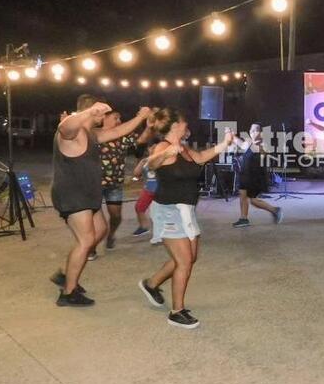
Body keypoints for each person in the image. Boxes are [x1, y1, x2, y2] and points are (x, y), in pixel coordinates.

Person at [49, 95, 151, 306]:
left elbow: (117, 132)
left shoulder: (91, 134)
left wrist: (141, 117)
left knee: (101, 230)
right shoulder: (73, 133)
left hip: (87, 196)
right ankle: (68, 293)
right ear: (92, 111)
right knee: (86, 241)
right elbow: (64, 128)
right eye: (102, 113)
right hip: (73, 195)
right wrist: (87, 112)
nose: (104, 117)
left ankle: (65, 274)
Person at [138, 108, 233, 329]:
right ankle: (176, 311)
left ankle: (151, 284)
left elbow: (200, 158)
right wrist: (165, 154)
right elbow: (149, 164)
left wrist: (225, 143)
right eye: (183, 121)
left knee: (190, 258)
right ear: (175, 126)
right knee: (184, 262)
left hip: (185, 211)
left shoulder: (185, 148)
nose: (187, 123)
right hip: (168, 211)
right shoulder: (163, 147)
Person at [90, 109, 155, 256]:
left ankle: (111, 235)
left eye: (120, 118)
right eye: (115, 117)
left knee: (116, 216)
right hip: (94, 183)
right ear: (104, 118)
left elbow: (141, 141)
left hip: (115, 183)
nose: (119, 121)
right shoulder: (93, 133)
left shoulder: (123, 135)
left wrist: (149, 127)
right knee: (95, 220)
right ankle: (91, 246)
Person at [232, 123, 283, 228]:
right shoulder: (249, 143)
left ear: (261, 133)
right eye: (251, 130)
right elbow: (240, 143)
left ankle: (275, 210)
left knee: (253, 200)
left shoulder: (262, 145)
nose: (252, 132)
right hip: (245, 174)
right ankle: (244, 219)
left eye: (255, 130)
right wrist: (231, 135)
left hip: (253, 177)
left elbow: (265, 151)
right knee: (243, 196)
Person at [131, 143, 159, 238]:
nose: (153, 149)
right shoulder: (145, 161)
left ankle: (161, 232)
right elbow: (136, 174)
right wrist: (141, 163)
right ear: (148, 148)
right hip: (148, 189)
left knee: (158, 212)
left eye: (156, 147)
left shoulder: (163, 159)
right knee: (139, 207)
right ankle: (144, 226)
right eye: (151, 147)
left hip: (160, 190)